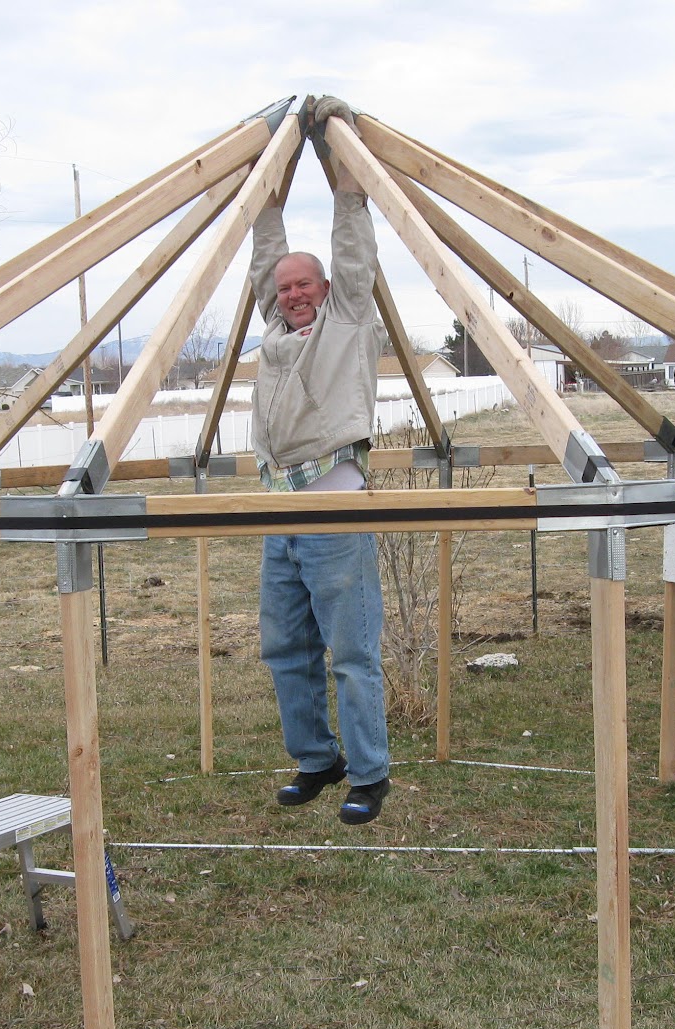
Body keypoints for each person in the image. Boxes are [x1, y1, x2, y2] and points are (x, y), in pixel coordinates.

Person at [248, 97, 390, 825]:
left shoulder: (347, 318)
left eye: (304, 284)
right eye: (285, 287)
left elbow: (352, 251)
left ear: (325, 291)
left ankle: (369, 773)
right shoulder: (274, 332)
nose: (292, 292)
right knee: (285, 647)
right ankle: (316, 759)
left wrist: (341, 164)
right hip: (281, 508)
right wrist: (270, 163)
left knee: (350, 652)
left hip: (333, 502)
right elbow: (264, 252)